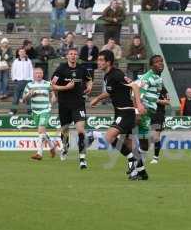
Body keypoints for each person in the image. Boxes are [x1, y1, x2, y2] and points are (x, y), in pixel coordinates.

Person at [90, 50, 143, 178]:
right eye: (98, 60)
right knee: (128, 143)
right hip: (119, 111)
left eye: (101, 60)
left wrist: (139, 105)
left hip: (126, 112)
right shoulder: (107, 76)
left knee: (109, 137)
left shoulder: (117, 74)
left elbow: (135, 86)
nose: (99, 62)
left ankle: (132, 160)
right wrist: (98, 98)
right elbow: (110, 91)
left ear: (108, 62)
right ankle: (138, 172)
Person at [51, 48, 93, 168]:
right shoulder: (61, 69)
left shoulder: (82, 68)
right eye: (71, 54)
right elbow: (52, 85)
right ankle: (65, 147)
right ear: (67, 56)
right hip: (64, 104)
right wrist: (65, 88)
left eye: (75, 54)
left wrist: (89, 86)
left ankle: (82, 159)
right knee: (65, 130)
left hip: (78, 103)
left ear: (77, 56)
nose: (73, 56)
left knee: (80, 130)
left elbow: (89, 80)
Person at [133, 55, 166, 180]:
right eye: (157, 62)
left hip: (149, 113)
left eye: (161, 61)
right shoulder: (148, 77)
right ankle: (135, 169)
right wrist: (137, 110)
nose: (160, 64)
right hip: (143, 113)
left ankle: (136, 169)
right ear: (152, 66)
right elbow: (136, 90)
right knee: (134, 141)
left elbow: (151, 95)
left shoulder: (158, 78)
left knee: (144, 145)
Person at [22, 68, 57, 160]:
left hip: (45, 109)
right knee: (43, 132)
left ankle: (39, 154)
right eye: (37, 73)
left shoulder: (47, 84)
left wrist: (53, 97)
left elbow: (53, 93)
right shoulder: (29, 85)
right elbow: (24, 99)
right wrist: (29, 94)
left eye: (40, 73)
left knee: (40, 131)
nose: (38, 74)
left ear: (42, 74)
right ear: (33, 74)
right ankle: (52, 146)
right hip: (35, 111)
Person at [10, 48, 33, 115]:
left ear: (25, 53)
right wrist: (14, 78)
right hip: (19, 81)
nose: (22, 53)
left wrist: (31, 79)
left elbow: (31, 70)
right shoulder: (16, 61)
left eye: (23, 52)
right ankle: (13, 111)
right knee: (16, 97)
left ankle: (29, 111)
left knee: (28, 97)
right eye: (20, 52)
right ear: (18, 53)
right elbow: (13, 70)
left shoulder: (28, 61)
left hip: (27, 81)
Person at [150, 87, 170, 164]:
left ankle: (155, 157)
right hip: (149, 114)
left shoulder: (163, 89)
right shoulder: (148, 87)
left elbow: (168, 102)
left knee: (155, 136)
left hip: (158, 115)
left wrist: (157, 101)